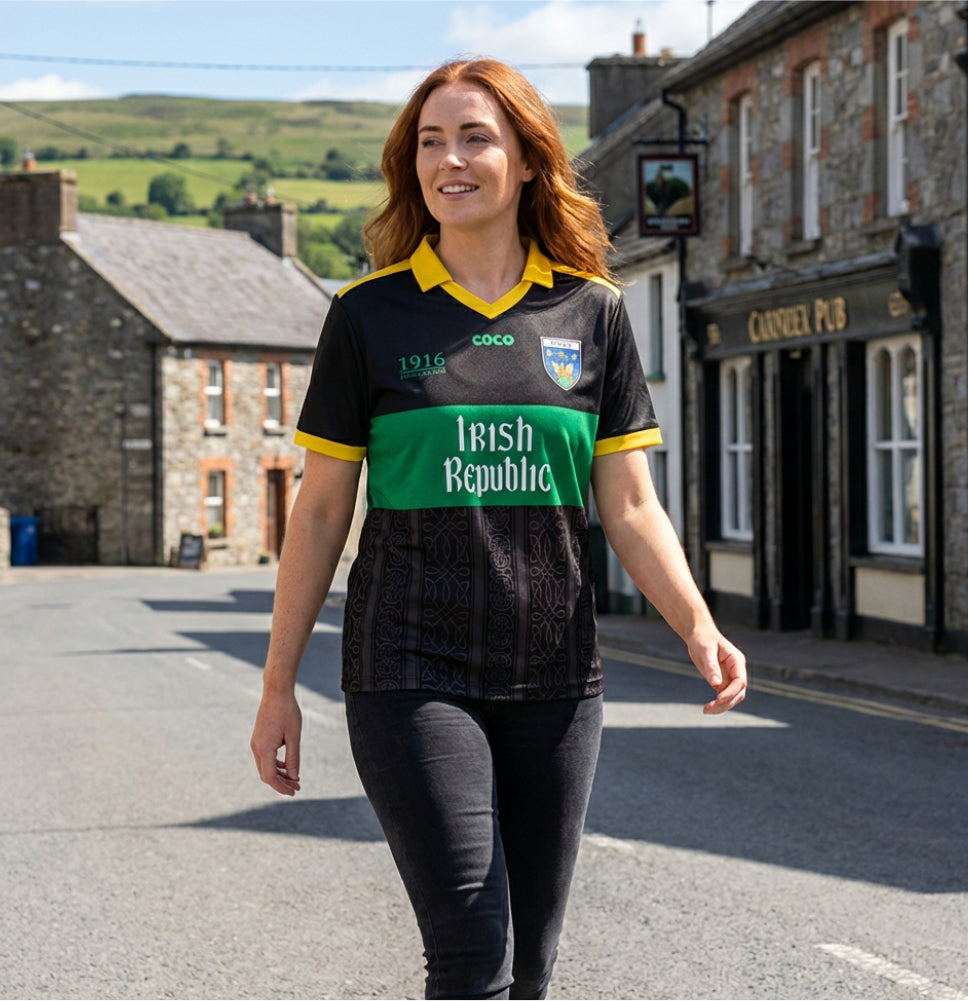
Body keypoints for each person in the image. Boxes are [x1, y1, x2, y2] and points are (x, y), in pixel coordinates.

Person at [250, 58, 747, 1001]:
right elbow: (319, 514)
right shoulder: (367, 316)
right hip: (408, 661)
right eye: (429, 143)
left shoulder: (592, 313)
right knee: (473, 945)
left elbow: (631, 505)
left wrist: (697, 623)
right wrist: (278, 685)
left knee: (532, 965)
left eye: (475, 136)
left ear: (526, 160)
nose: (452, 159)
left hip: (555, 671)